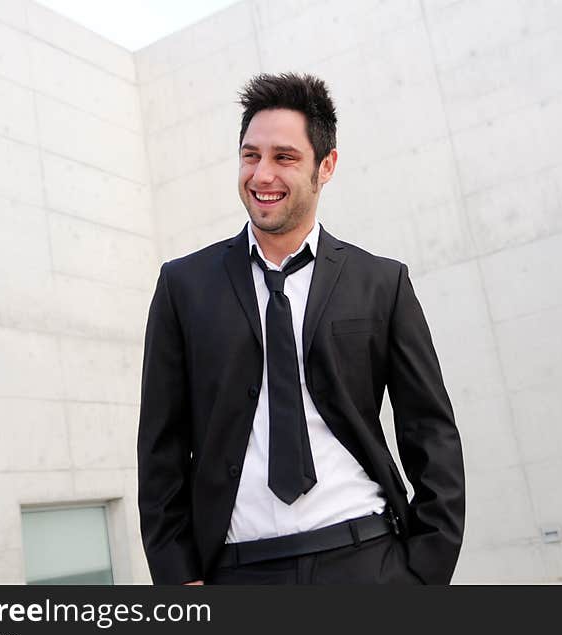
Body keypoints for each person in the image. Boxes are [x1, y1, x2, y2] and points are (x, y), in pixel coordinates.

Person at [137, 72, 464, 585]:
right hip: (237, 571)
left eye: (284, 158)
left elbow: (431, 431)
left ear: (325, 166)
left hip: (365, 557)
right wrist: (177, 575)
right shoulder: (183, 286)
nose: (262, 174)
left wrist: (425, 570)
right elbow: (161, 447)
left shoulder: (382, 283)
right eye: (250, 156)